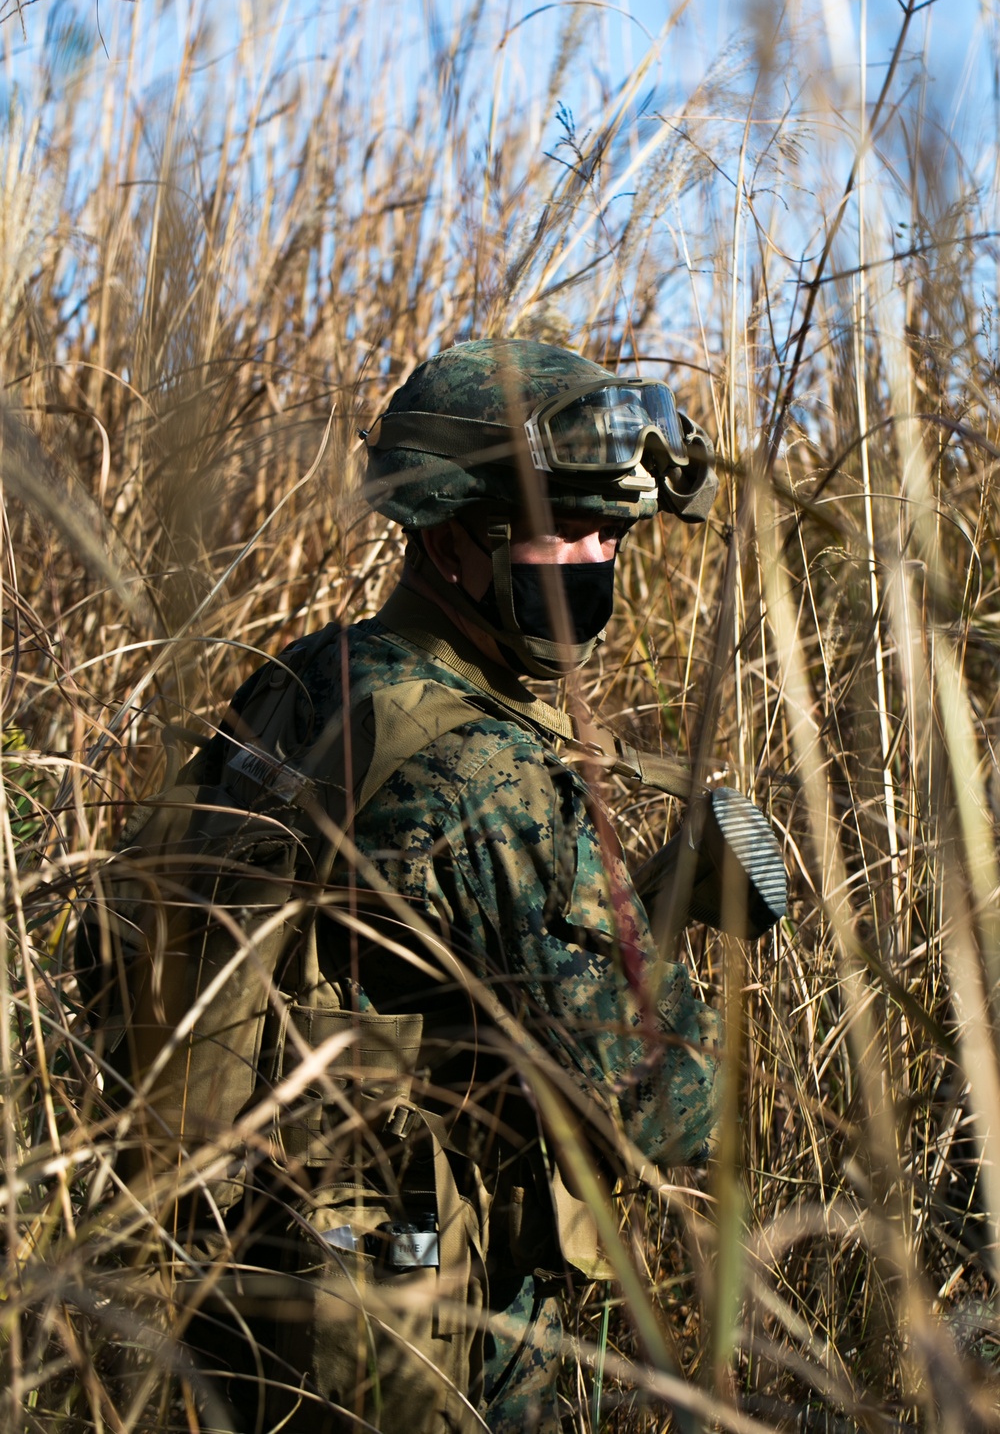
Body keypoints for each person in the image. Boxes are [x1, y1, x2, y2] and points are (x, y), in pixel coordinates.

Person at [79, 338, 782, 1432]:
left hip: (237, 1281)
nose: (597, 557)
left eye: (612, 534)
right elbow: (669, 1104)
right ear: (453, 539)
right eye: (564, 532)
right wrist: (672, 910)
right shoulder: (486, 775)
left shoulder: (314, 673)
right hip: (420, 1341)